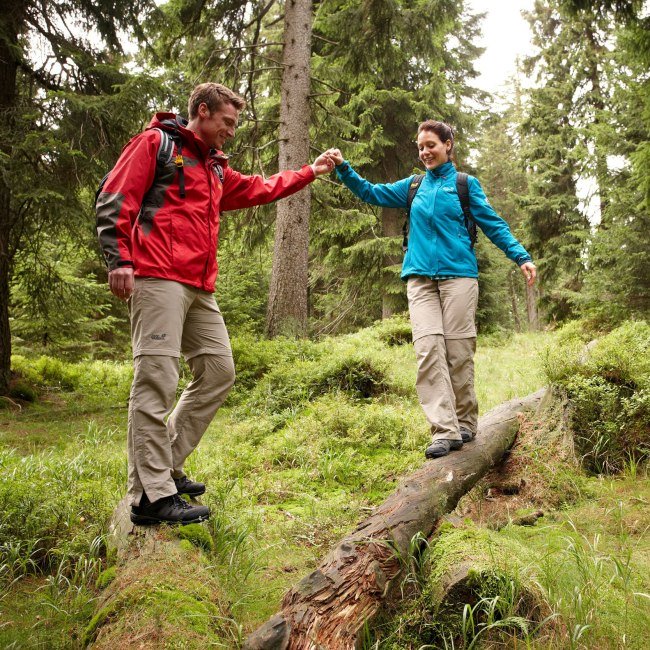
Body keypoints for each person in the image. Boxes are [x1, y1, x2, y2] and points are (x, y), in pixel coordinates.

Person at [97, 82, 335, 524]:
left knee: (219, 371)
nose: (231, 132)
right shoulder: (157, 144)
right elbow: (115, 196)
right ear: (202, 112)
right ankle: (150, 498)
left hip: (199, 286)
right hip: (157, 277)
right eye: (227, 122)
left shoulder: (216, 170)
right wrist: (119, 259)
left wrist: (311, 171)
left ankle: (164, 468)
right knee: (157, 381)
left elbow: (262, 188)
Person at [325, 120, 536, 460]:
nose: (425, 152)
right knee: (427, 351)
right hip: (420, 279)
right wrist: (344, 168)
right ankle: (444, 430)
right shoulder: (413, 187)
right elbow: (371, 192)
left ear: (448, 145)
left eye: (431, 145)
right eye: (420, 147)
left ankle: (466, 423)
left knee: (458, 352)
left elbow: (493, 224)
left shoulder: (465, 185)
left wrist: (520, 256)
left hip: (459, 277)